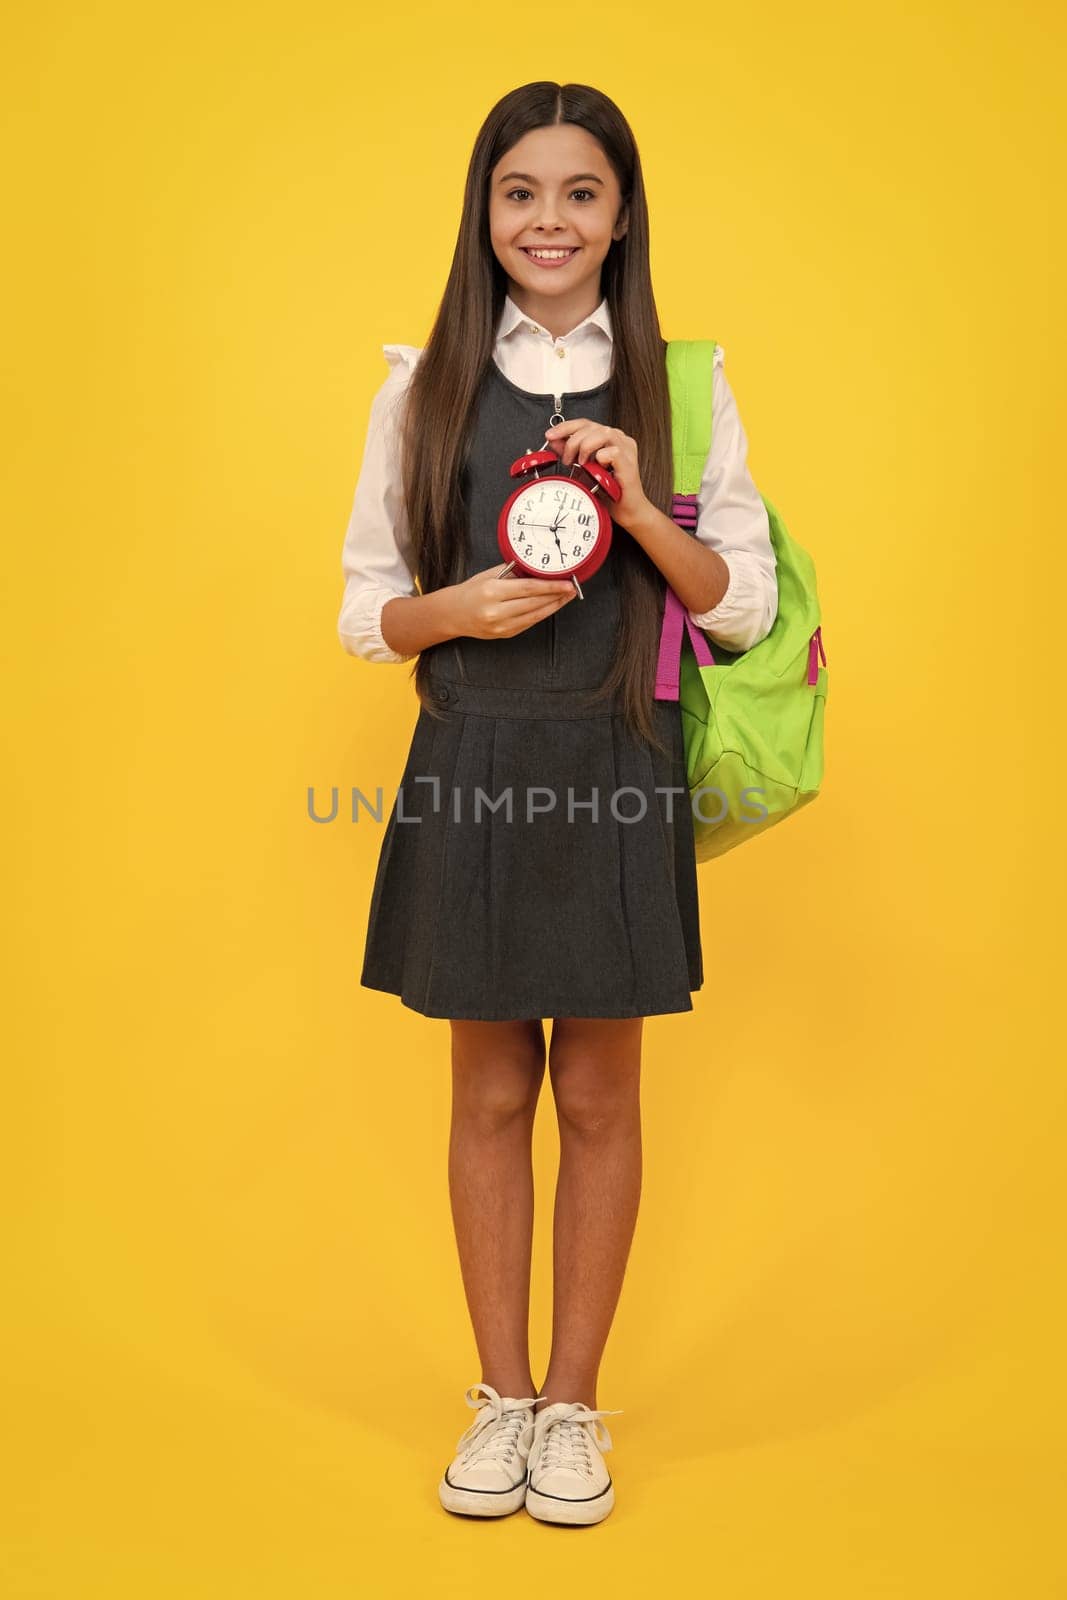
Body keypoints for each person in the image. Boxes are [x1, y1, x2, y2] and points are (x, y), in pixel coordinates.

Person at [337, 81, 778, 1527]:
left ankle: (576, 1413)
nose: (548, 220)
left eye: (579, 193)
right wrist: (449, 609)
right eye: (520, 192)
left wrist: (646, 506)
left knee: (598, 1093)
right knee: (485, 1090)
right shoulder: (423, 387)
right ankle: (501, 1400)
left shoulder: (686, 381)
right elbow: (364, 618)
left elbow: (738, 612)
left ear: (621, 213)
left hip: (618, 761)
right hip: (475, 757)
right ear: (485, 211)